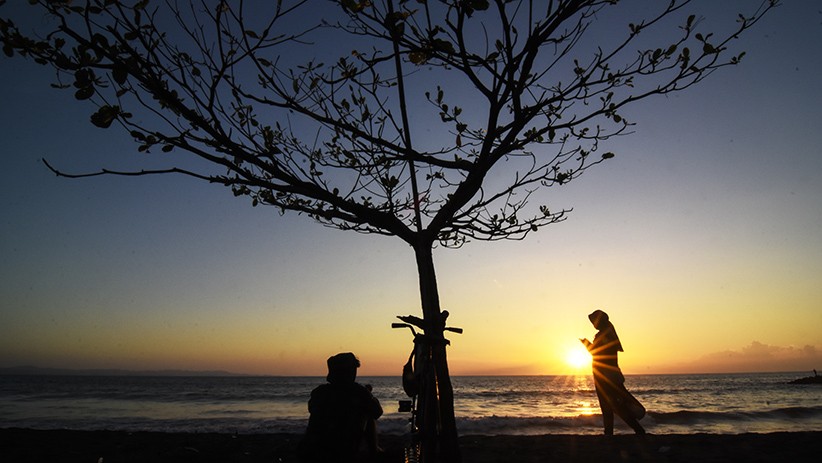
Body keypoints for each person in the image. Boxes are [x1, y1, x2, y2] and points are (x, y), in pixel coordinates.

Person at [298, 352, 383, 463]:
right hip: (342, 450)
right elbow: (377, 412)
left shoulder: (319, 392)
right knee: (367, 413)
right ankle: (374, 451)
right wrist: (368, 395)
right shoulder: (358, 392)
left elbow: (313, 410)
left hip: (311, 449)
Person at [580, 309, 646, 435]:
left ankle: (634, 430)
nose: (593, 324)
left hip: (605, 375)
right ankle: (612, 431)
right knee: (612, 404)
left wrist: (586, 344)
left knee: (614, 405)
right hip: (607, 374)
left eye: (594, 321)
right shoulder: (608, 333)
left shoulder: (605, 335)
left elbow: (598, 353)